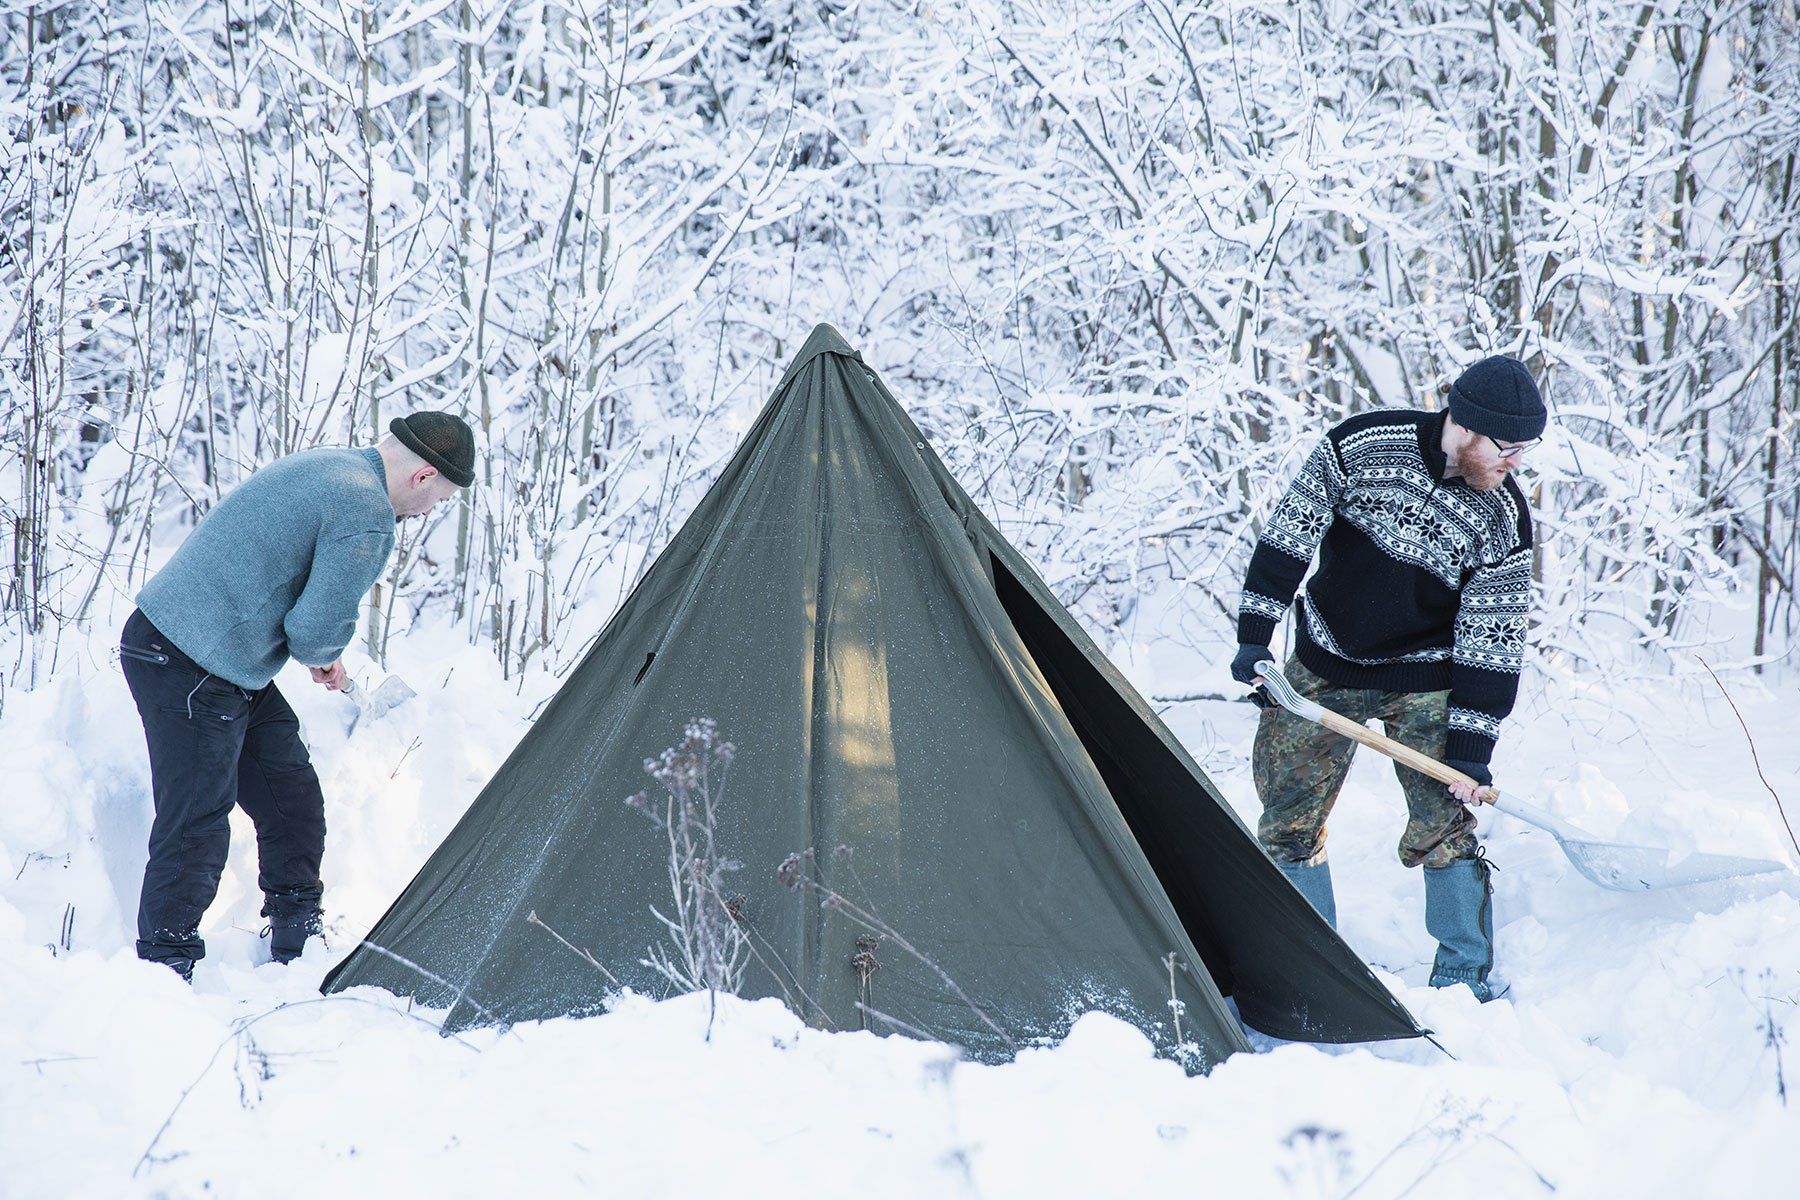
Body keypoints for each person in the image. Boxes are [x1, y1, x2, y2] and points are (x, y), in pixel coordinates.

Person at [1229, 355, 1545, 1001]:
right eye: (1508, 448)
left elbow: (1494, 641)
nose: (1517, 463)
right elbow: (1289, 535)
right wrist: (1255, 637)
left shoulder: (1503, 520)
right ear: (1467, 426)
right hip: (1323, 661)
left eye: (1525, 449)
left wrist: (1470, 755)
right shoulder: (1362, 446)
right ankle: (1310, 970)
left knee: (1444, 821)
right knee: (1288, 820)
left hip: (1427, 678)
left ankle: (1462, 979)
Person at [118, 412, 477, 980]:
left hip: (216, 659)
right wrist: (324, 653)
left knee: (291, 794)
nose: (429, 512)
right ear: (423, 475)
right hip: (187, 659)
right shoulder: (367, 514)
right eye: (440, 498)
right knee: (197, 819)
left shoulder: (337, 464)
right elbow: (312, 631)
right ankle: (164, 968)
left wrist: (320, 651)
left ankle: (296, 932)